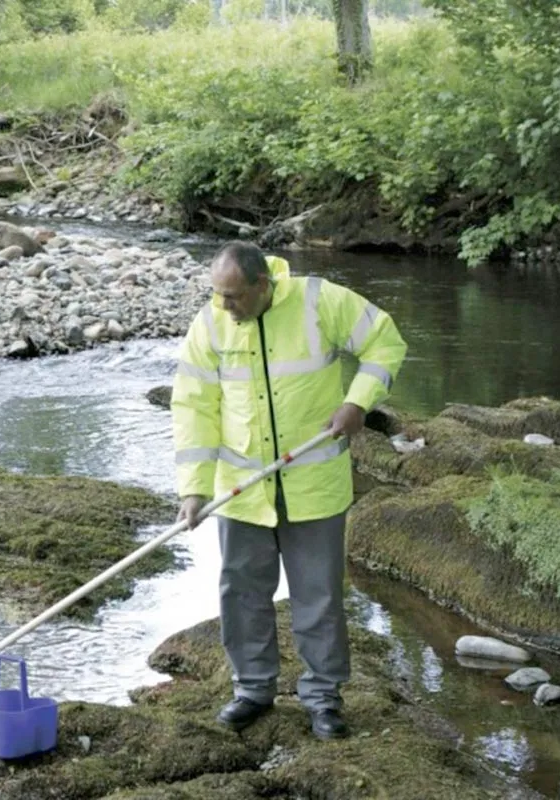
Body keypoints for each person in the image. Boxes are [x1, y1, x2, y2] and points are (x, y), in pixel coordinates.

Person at [170, 241, 407, 740]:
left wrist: (358, 401)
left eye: (234, 296)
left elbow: (385, 342)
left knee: (317, 597)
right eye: (218, 295)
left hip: (313, 487)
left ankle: (323, 698)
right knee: (242, 592)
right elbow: (193, 407)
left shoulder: (321, 302)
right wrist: (193, 490)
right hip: (240, 492)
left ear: (262, 285)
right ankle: (253, 690)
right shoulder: (209, 324)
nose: (224, 306)